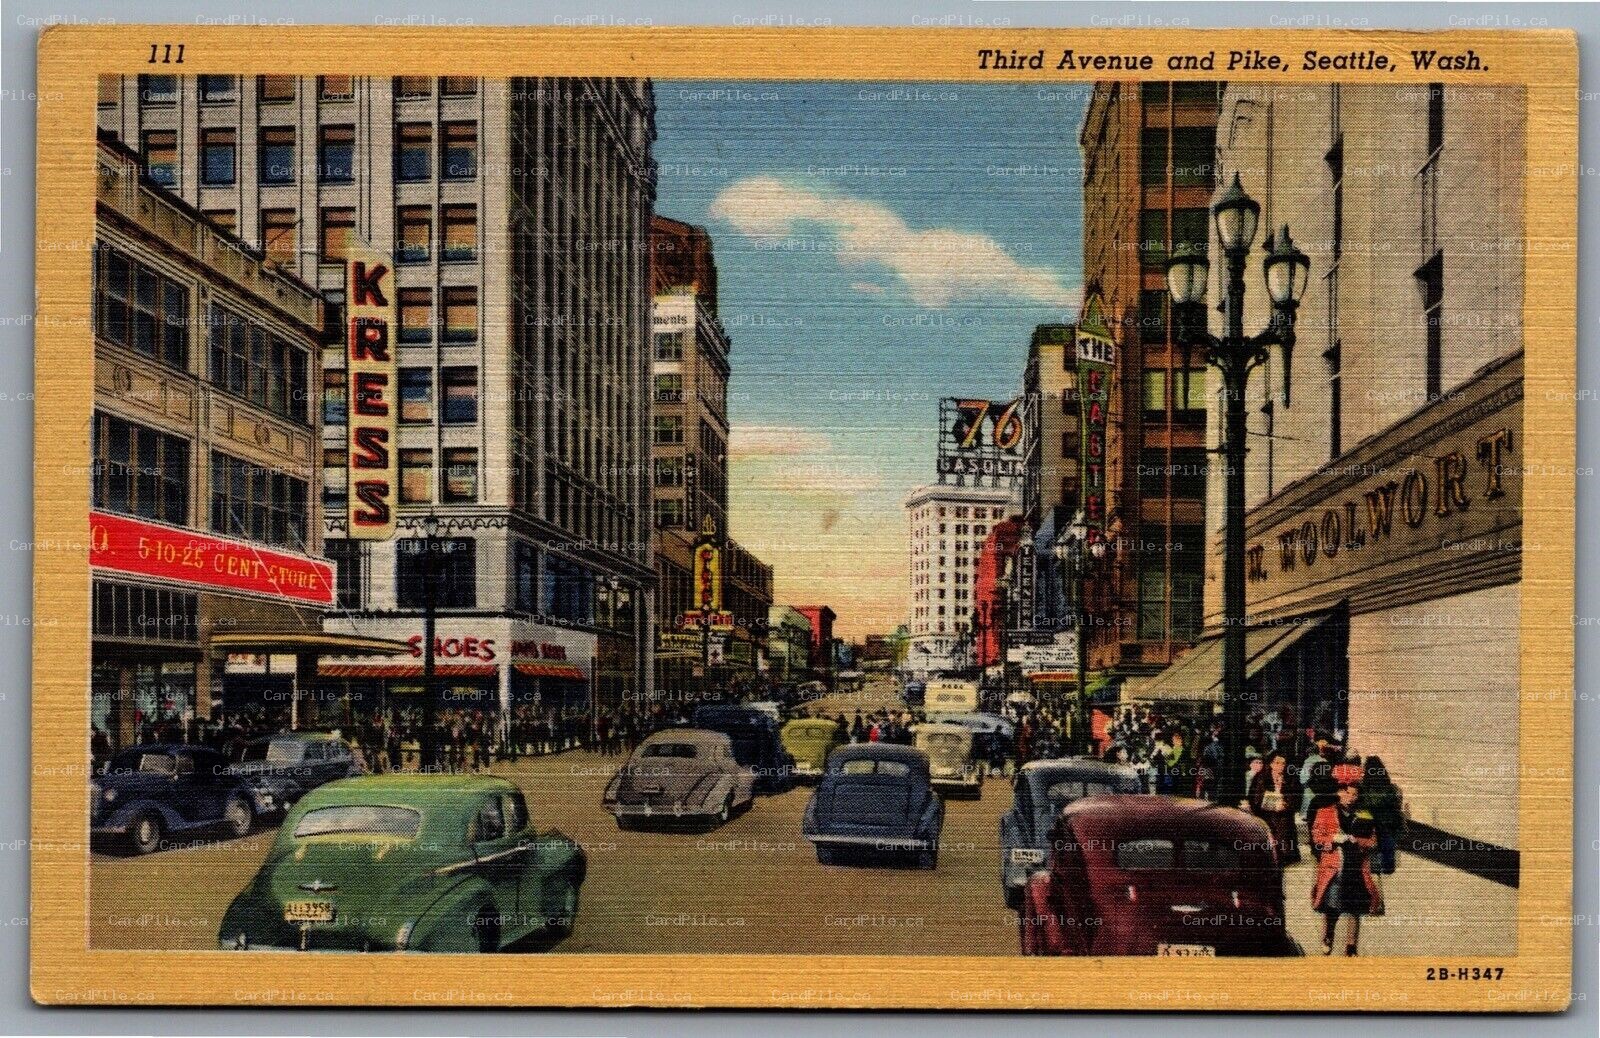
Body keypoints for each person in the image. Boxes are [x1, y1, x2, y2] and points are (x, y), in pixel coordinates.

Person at [1310, 763, 1384, 955]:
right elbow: (1317, 840)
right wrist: (1333, 839)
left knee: (1355, 909)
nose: (1352, 798)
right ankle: (1327, 935)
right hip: (1333, 867)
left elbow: (1374, 842)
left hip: (1357, 868)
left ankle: (1351, 945)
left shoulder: (1365, 815)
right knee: (1330, 907)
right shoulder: (1324, 812)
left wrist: (1357, 841)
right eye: (1349, 794)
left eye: (1355, 795)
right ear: (1340, 793)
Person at [1248, 751, 1302, 866]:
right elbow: (1254, 798)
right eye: (1277, 763)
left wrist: (1285, 803)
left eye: (1283, 763)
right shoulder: (1261, 777)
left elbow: (1296, 796)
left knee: (1284, 827)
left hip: (1284, 815)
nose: (1280, 766)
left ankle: (1284, 855)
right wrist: (1271, 804)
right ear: (1271, 764)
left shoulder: (1291, 778)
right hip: (1266, 814)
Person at [1359, 756, 1406, 875]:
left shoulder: (1363, 789)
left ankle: (1375, 867)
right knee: (1388, 845)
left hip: (1371, 825)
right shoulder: (1392, 788)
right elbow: (1397, 807)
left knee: (1373, 848)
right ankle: (1388, 866)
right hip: (1389, 824)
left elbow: (1361, 807)